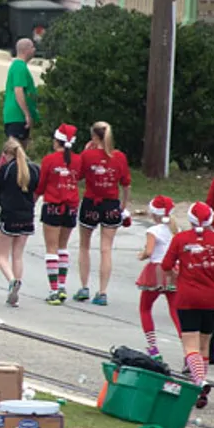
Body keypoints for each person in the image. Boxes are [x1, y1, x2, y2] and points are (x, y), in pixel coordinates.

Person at [166, 201, 214, 405]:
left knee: (190, 345)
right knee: (205, 344)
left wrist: (175, 275)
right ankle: (201, 393)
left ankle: (198, 381)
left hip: (187, 297)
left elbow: (166, 265)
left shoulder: (181, 239)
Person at [73, 120, 132, 305]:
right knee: (106, 248)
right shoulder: (119, 157)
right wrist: (123, 204)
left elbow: (77, 176)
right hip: (111, 203)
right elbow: (126, 183)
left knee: (84, 246)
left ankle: (84, 287)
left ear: (93, 137)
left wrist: (84, 152)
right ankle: (103, 291)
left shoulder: (88, 156)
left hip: (91, 202)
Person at [0, 133, 39, 306]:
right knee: (18, 255)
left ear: (7, 154)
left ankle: (11, 282)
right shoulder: (33, 169)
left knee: (2, 256)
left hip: (9, 216)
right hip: (27, 217)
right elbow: (36, 191)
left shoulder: (6, 170)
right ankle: (16, 288)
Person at [36, 123, 83, 305]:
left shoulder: (49, 160)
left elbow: (41, 184)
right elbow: (78, 177)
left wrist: (34, 198)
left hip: (53, 204)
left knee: (51, 248)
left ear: (57, 141)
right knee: (63, 247)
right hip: (71, 206)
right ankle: (62, 286)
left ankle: (53, 290)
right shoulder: (78, 160)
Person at [139, 197, 181, 357]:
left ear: (154, 214)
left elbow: (149, 252)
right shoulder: (176, 230)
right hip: (173, 270)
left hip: (157, 271)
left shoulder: (153, 231)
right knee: (175, 310)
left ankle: (153, 347)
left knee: (145, 308)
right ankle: (187, 346)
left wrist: (142, 255)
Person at [2, 37, 37, 143]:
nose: (34, 50)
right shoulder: (19, 67)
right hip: (18, 116)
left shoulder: (18, 66)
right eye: (32, 47)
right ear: (26, 50)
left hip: (15, 115)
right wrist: (26, 114)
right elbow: (18, 91)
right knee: (17, 150)